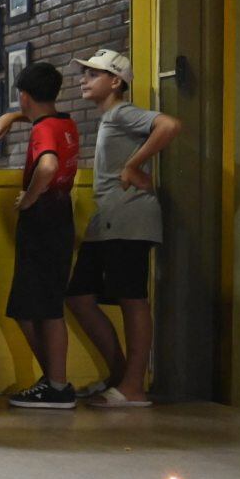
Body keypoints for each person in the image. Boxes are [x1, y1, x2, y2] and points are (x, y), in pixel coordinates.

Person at [68, 48, 181, 408]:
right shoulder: (111, 118)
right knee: (79, 296)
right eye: (84, 74)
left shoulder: (122, 113)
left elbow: (170, 125)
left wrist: (133, 165)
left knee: (133, 300)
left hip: (130, 218)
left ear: (115, 81)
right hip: (109, 220)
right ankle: (120, 377)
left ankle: (133, 386)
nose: (84, 80)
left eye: (93, 74)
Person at [0, 62, 81, 409]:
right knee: (44, 306)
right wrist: (14, 117)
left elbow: (47, 165)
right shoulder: (66, 122)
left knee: (37, 308)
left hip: (42, 219)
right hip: (62, 218)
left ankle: (56, 384)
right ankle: (54, 381)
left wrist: (28, 198)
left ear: (24, 95)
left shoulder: (43, 131)